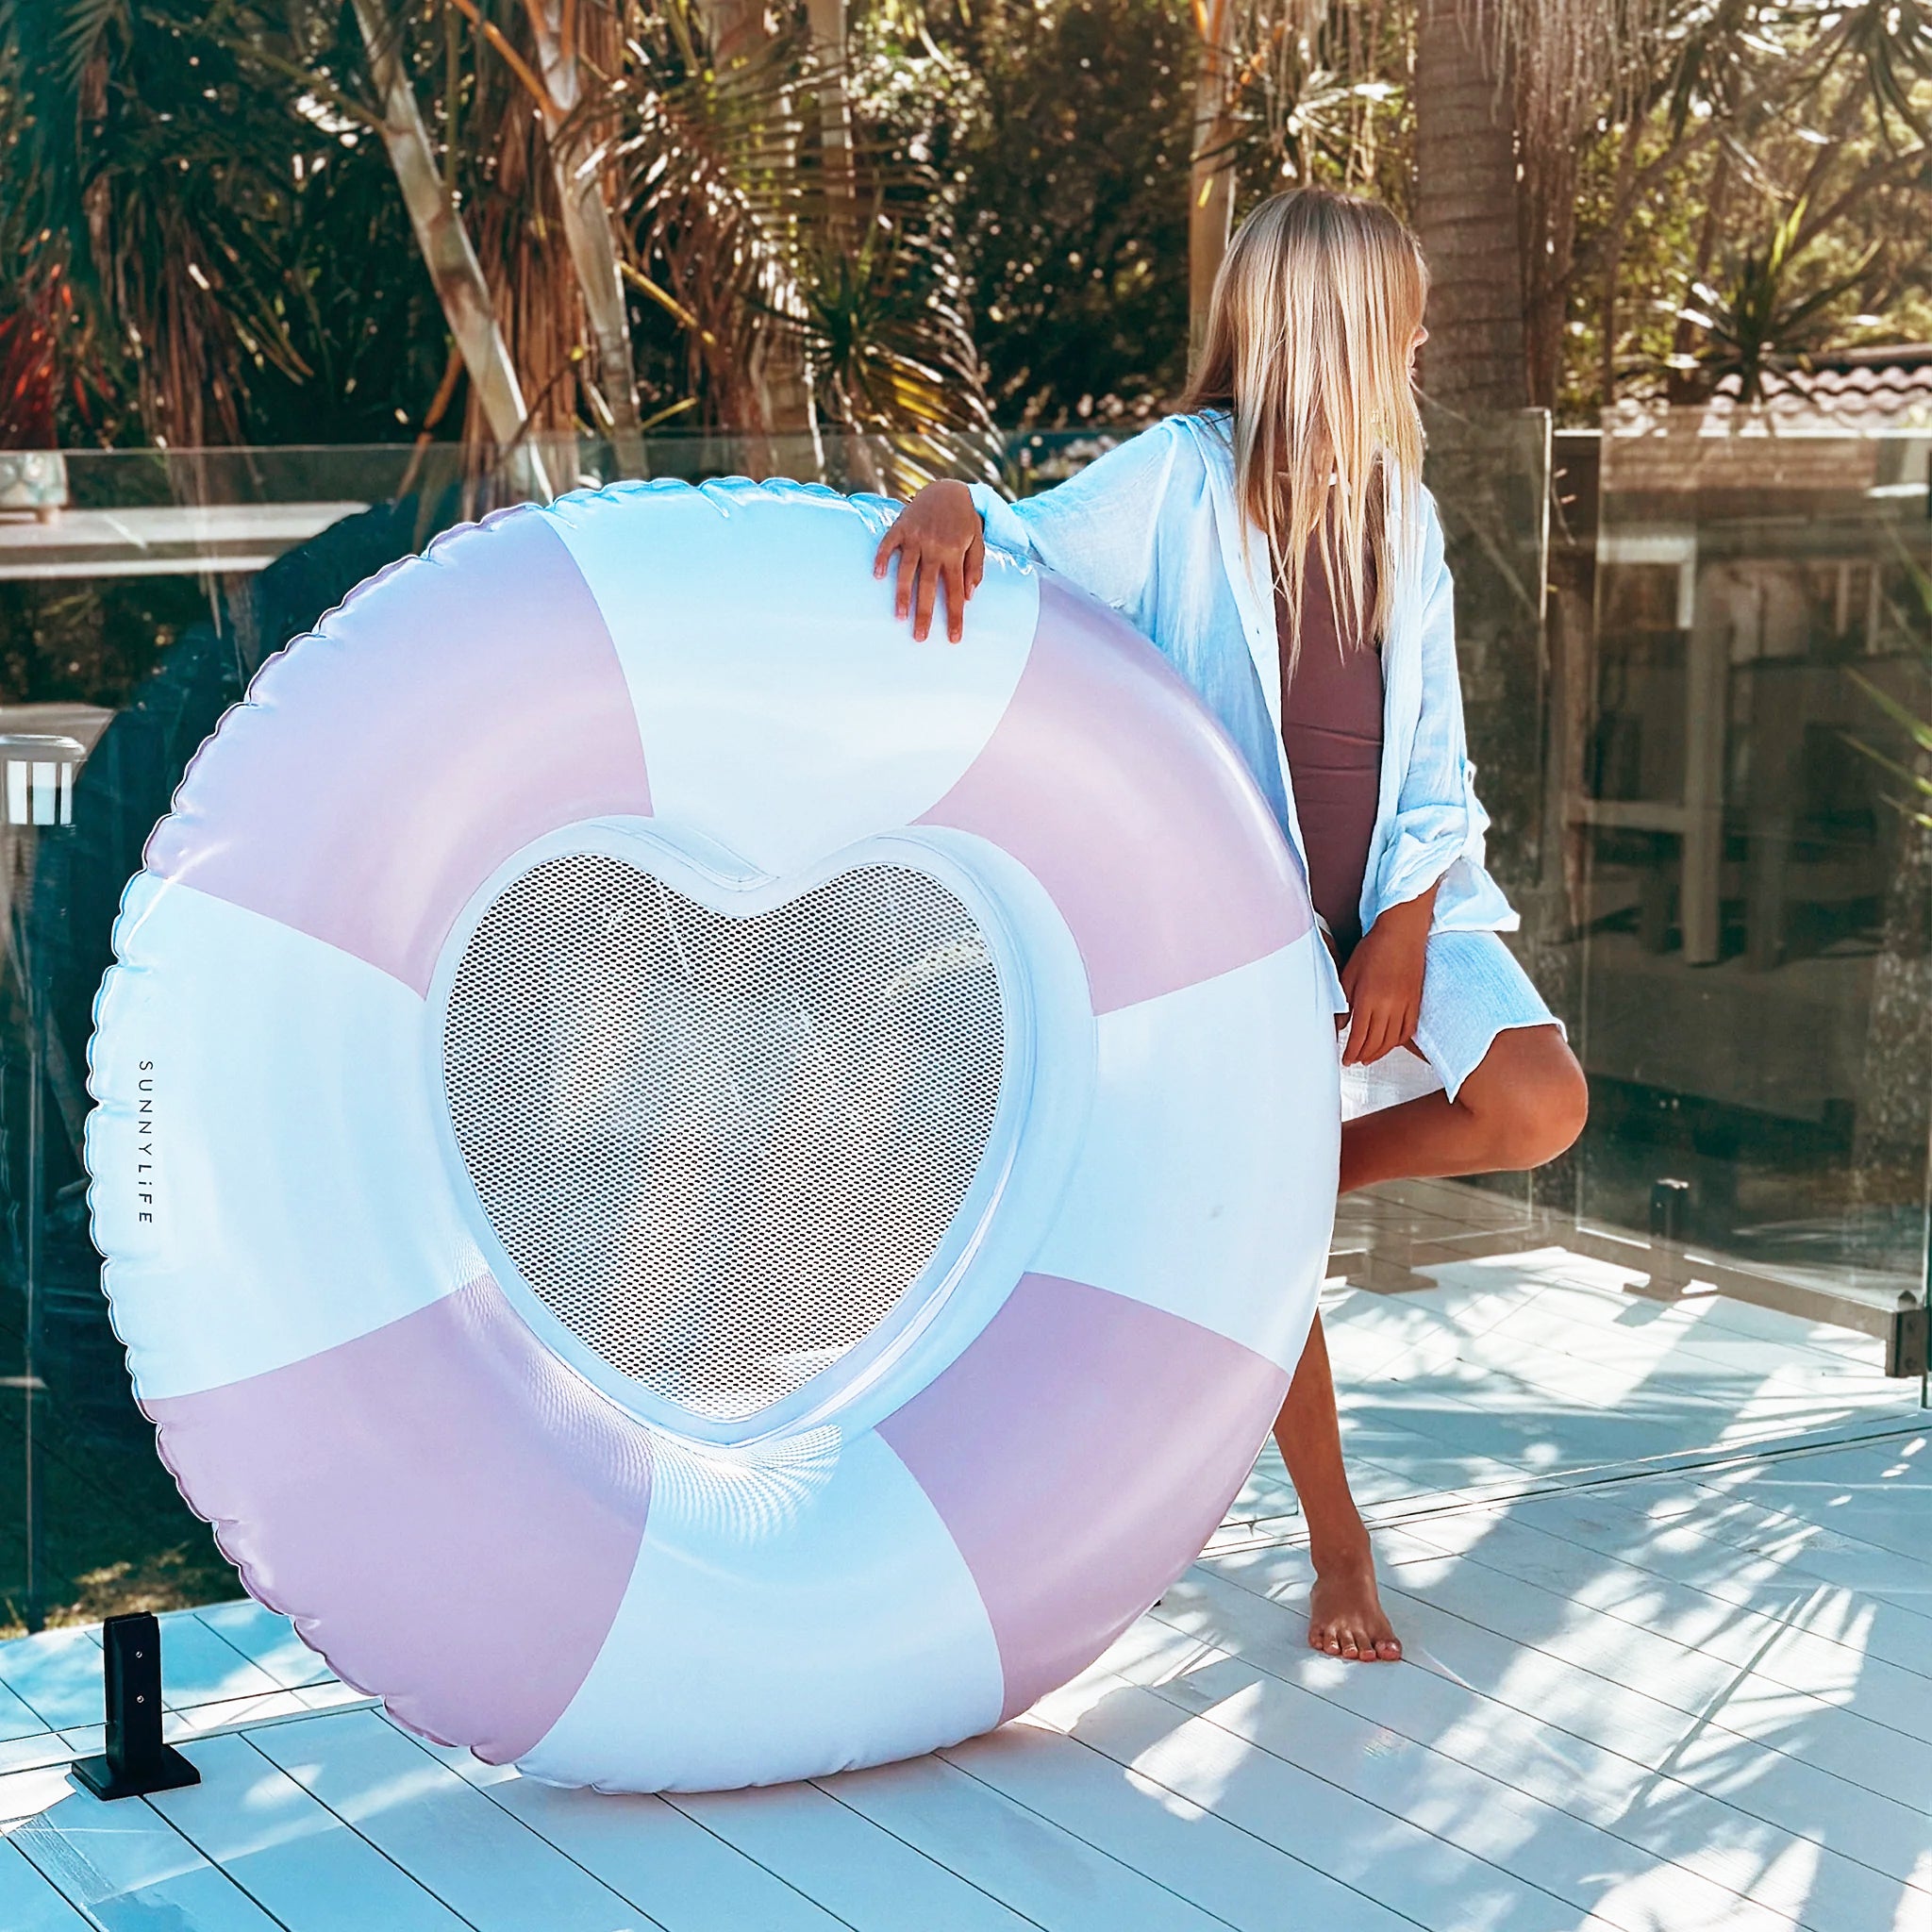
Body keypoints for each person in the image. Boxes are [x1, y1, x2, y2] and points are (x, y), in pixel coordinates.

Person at [872, 186, 1588, 1663]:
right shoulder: (1180, 477)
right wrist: (951, 503)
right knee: (1271, 1250)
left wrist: (1402, 926)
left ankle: (1298, 1177)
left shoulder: (1405, 506)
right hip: (1238, 928)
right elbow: (1025, 549)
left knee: (1534, 1101)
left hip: (1393, 898)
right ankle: (1338, 1539)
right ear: (1334, 326)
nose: (1426, 332)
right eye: (1405, 310)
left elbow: (1433, 746)